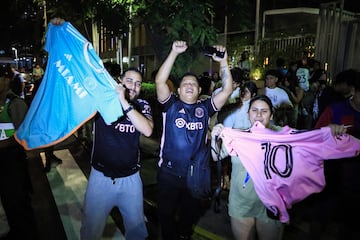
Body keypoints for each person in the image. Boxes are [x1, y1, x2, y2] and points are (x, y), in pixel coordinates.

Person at [155, 40, 233, 240]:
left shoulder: (205, 108)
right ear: (179, 90)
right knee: (166, 216)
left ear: (199, 91)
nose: (189, 85)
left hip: (195, 176)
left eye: (194, 84)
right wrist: (173, 52)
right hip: (168, 174)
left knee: (189, 217)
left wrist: (223, 63)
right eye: (185, 83)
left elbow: (226, 91)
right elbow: (160, 82)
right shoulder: (170, 106)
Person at [79, 67, 153, 239]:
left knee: (137, 231)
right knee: (91, 229)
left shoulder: (142, 105)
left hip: (131, 180)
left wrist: (124, 103)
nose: (133, 87)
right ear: (120, 81)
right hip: (101, 179)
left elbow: (148, 130)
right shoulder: (102, 102)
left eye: (138, 83)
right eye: (129, 81)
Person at [211, 95, 283, 240]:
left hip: (272, 204)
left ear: (272, 114)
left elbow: (311, 142)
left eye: (264, 111)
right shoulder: (238, 136)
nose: (259, 115)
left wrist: (331, 131)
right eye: (254, 110)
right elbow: (216, 156)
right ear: (248, 113)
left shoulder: (284, 136)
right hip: (241, 204)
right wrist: (214, 137)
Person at [310, 69, 360, 240]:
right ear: (354, 91)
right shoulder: (335, 110)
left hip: (356, 185)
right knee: (320, 219)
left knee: (350, 227)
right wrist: (327, 131)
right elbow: (313, 139)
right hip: (332, 179)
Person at [0, 73, 38, 239]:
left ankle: (27, 233)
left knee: (18, 201)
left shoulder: (15, 104)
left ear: (7, 82)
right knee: (7, 201)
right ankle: (16, 231)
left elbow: (24, 135)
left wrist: (4, 144)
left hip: (13, 160)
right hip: (2, 160)